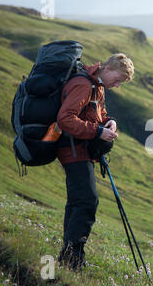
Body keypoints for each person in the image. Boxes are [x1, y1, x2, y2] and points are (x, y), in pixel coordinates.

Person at [56, 53, 134, 270]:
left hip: (81, 150)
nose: (117, 86)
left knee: (77, 203)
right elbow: (65, 119)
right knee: (87, 202)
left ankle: (68, 258)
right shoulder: (83, 85)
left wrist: (110, 123)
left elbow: (99, 114)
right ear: (107, 68)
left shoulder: (97, 85)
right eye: (117, 80)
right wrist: (98, 132)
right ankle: (73, 261)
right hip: (73, 151)